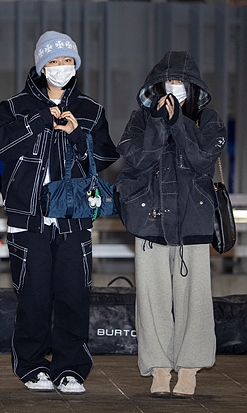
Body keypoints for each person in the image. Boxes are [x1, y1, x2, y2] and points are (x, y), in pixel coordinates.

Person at [0, 31, 119, 394]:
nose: (61, 67)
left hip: (73, 216)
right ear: (41, 66)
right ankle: (32, 366)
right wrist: (37, 122)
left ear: (76, 65)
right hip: (28, 215)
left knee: (74, 293)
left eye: (67, 61)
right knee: (33, 295)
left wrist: (78, 137)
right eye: (54, 61)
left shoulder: (90, 109)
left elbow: (106, 157)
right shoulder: (15, 106)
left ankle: (71, 367)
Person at [116, 52, 224, 398]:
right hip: (150, 220)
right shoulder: (141, 118)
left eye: (180, 81)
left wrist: (179, 122)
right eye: (168, 81)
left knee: (195, 297)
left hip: (193, 219)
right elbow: (136, 158)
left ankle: (189, 368)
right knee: (152, 297)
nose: (174, 87)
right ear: (157, 86)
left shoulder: (208, 118)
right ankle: (159, 369)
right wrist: (160, 122)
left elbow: (202, 160)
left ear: (193, 86)